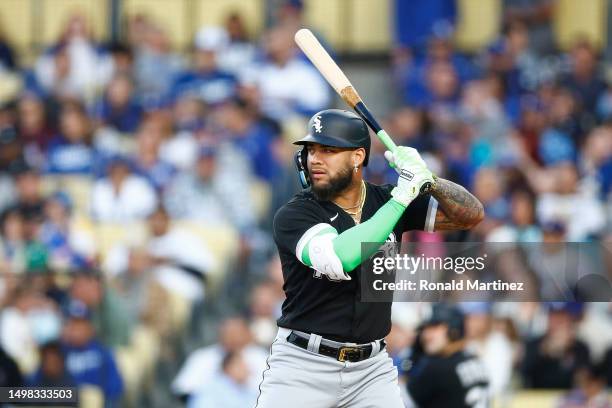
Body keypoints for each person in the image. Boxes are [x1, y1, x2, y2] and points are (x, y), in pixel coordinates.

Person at [257, 109, 484, 407]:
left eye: (328, 150)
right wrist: (402, 197)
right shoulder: (296, 213)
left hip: (371, 369)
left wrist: (429, 179)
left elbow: (470, 215)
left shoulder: (387, 199)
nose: (315, 159)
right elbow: (341, 257)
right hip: (303, 366)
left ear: (357, 157)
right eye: (311, 150)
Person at [405, 304, 490, 408]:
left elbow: (398, 401)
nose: (425, 335)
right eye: (424, 329)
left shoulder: (436, 367)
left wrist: (412, 360)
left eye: (434, 327)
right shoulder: (475, 360)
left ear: (454, 330)